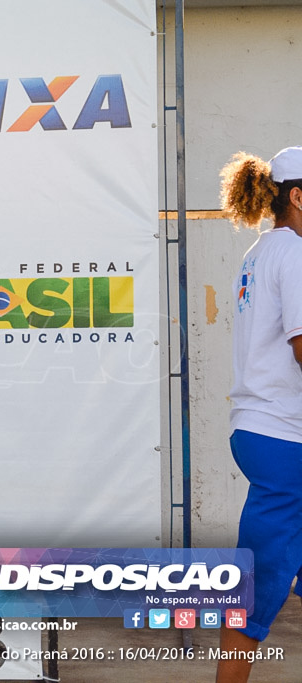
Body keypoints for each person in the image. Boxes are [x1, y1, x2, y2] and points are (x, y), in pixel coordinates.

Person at [216, 146, 302, 683]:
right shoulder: (293, 252)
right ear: (298, 196)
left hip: (264, 430)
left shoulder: (260, 252)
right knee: (259, 581)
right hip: (283, 437)